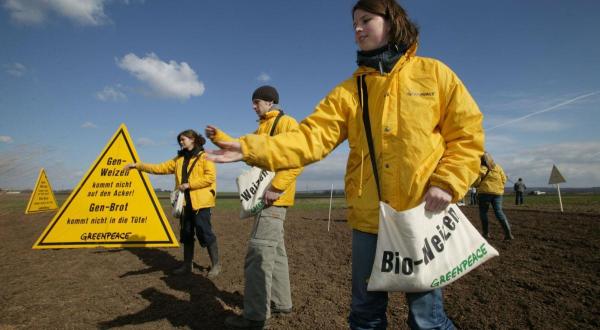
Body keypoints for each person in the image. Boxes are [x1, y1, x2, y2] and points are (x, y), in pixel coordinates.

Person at [206, 1, 484, 328]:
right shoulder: (349, 92)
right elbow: (310, 138)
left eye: (366, 19)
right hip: (368, 220)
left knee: (427, 319)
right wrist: (248, 147)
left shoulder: (435, 74)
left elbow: (467, 135)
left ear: (392, 22)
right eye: (354, 23)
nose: (357, 28)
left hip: (419, 214)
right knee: (365, 315)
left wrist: (447, 182)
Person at [206, 85, 303, 329]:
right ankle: (281, 303)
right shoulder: (262, 128)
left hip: (273, 199)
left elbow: (297, 158)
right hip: (267, 199)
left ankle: (255, 318)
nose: (253, 106)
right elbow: (243, 146)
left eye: (257, 101)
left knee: (258, 255)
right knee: (276, 254)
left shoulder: (286, 123)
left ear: (271, 102)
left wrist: (277, 187)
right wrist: (219, 137)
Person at [123, 129, 221, 278]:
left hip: (201, 204)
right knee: (186, 234)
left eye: (183, 139)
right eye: (180, 140)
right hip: (183, 204)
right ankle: (187, 265)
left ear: (193, 139)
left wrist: (189, 185)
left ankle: (215, 265)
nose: (181, 142)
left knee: (205, 233)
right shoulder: (179, 159)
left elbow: (210, 178)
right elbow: (159, 168)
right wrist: (138, 166)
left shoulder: (206, 157)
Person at [472, 152, 514, 241]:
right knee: (499, 212)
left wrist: (476, 185)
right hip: (498, 193)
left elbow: (476, 182)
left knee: (483, 213)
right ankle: (508, 234)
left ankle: (486, 233)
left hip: (484, 193)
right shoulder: (498, 167)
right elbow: (504, 179)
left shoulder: (482, 169)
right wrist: (499, 188)